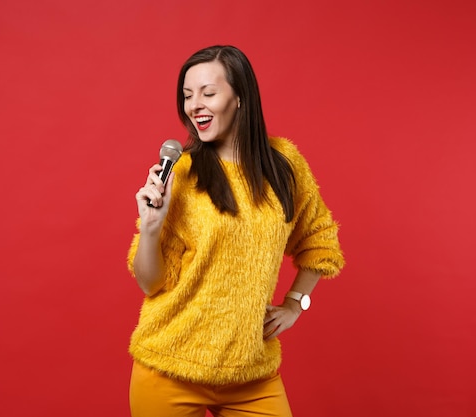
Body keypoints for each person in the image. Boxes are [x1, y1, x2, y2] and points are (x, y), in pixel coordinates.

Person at [127, 45, 345, 417]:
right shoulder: (181, 173)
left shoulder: (285, 167)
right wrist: (151, 227)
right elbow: (150, 283)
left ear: (240, 96)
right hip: (169, 368)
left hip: (251, 375)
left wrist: (296, 303)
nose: (194, 105)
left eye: (208, 93)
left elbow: (320, 241)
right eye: (187, 95)